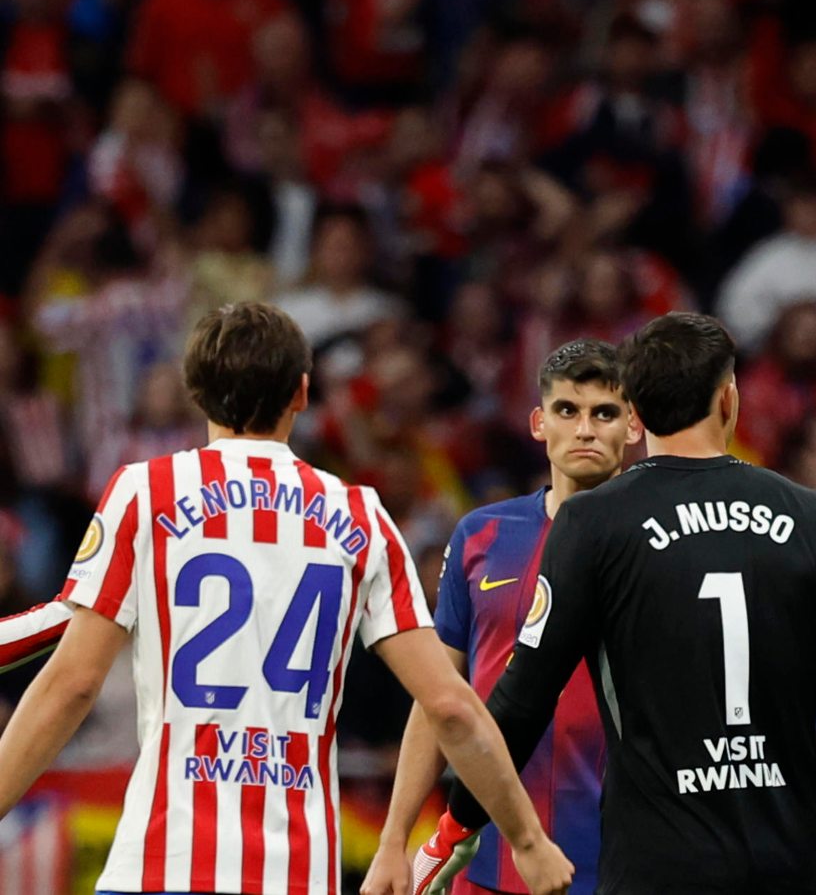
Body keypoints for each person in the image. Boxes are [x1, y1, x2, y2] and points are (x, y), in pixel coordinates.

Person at [0, 303, 573, 895]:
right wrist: (528, 840)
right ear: (302, 392)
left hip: (162, 863)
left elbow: (71, 683)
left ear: (197, 393)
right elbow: (450, 706)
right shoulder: (361, 516)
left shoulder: (145, 494)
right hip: (299, 872)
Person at [404, 310, 816, 895]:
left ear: (637, 414)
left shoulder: (594, 522)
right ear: (729, 401)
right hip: (788, 862)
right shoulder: (815, 515)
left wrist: (454, 827)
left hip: (658, 864)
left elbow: (521, 704)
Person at [361, 339, 642, 895]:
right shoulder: (481, 536)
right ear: (540, 423)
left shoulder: (658, 544)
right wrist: (393, 840)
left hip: (627, 865)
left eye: (603, 413)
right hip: (486, 863)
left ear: (632, 427)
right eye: (568, 411)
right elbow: (436, 699)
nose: (585, 429)